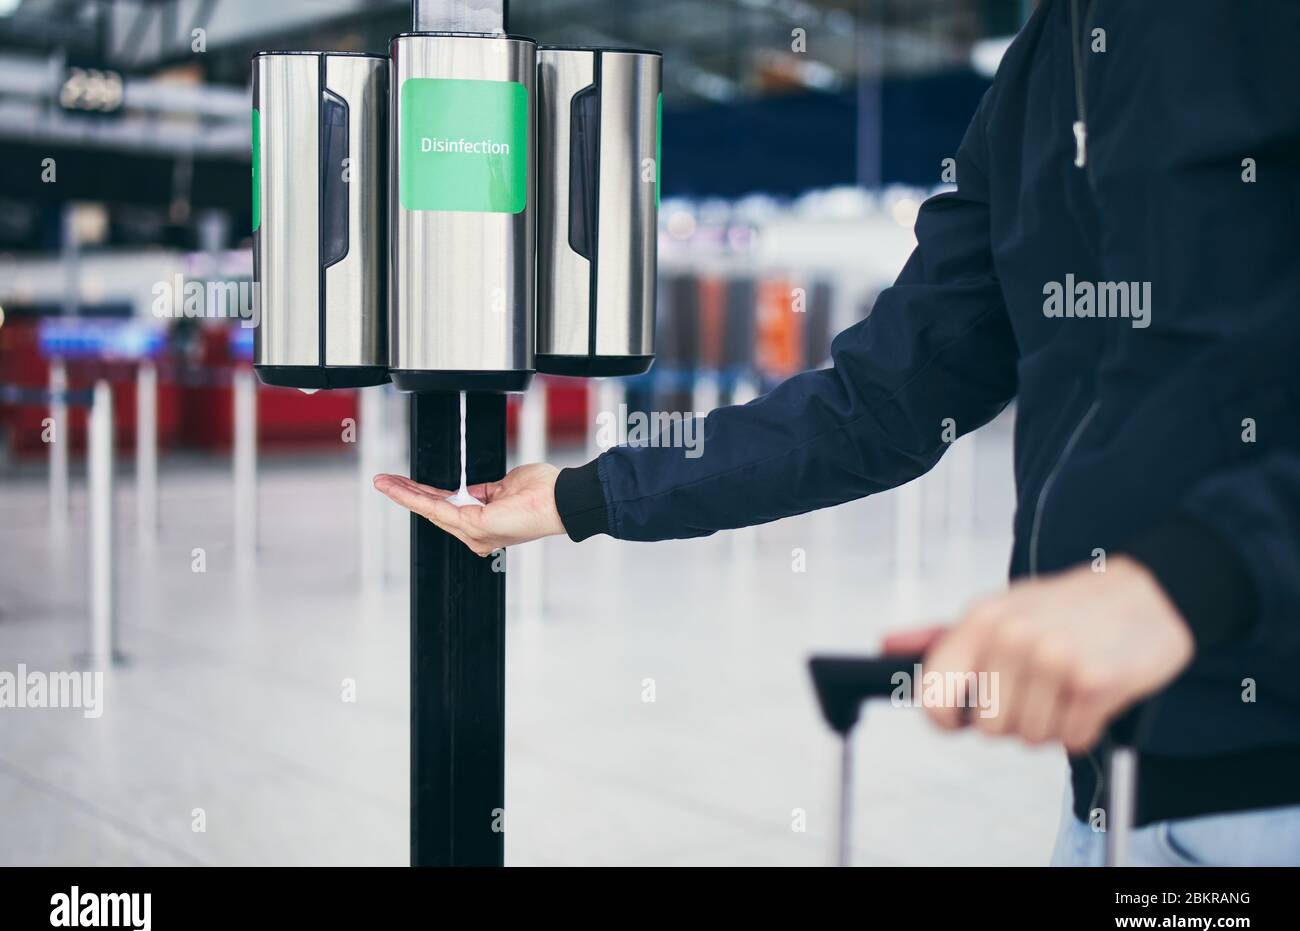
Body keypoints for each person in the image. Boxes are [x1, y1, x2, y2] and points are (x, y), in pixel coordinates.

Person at [375, 0, 1300, 866]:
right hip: (1116, 794)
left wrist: (1193, 575)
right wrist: (586, 495)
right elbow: (883, 399)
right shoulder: (1042, 73)